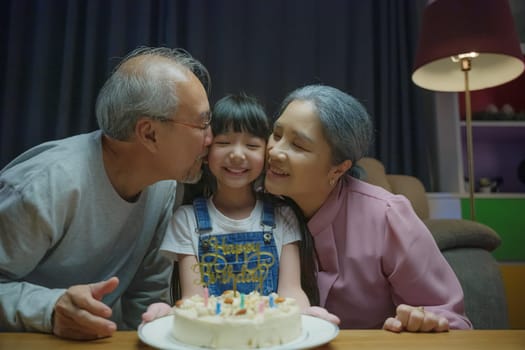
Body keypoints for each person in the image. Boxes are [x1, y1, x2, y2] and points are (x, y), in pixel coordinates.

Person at [0, 46, 212, 340]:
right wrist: (49, 309)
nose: (211, 139)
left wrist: (157, 325)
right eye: (202, 123)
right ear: (149, 133)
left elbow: (147, 294)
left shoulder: (163, 184)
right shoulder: (48, 184)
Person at [264, 84, 473, 332]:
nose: (274, 151)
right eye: (276, 135)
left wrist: (423, 322)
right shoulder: (249, 206)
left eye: (298, 145)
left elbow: (452, 320)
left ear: (338, 169)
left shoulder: (388, 217)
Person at [144, 94, 339, 324]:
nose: (237, 154)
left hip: (271, 336)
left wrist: (305, 315)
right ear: (206, 152)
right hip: (212, 337)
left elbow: (291, 292)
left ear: (266, 154)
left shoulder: (282, 215)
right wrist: (165, 315)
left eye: (252, 145)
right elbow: (192, 299)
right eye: (224, 143)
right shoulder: (186, 220)